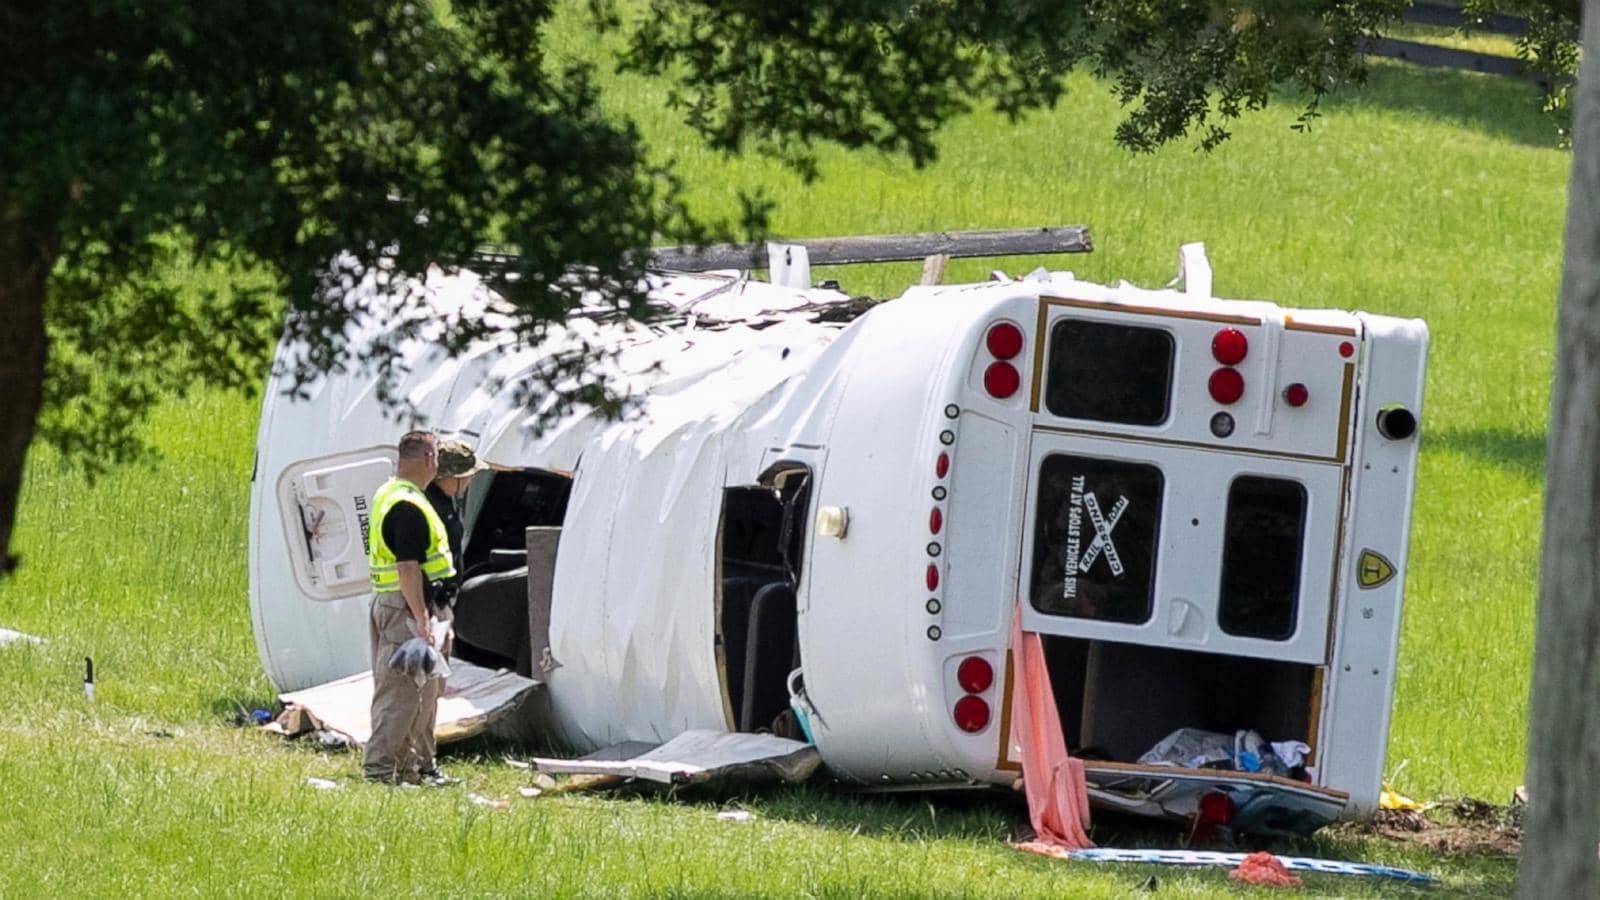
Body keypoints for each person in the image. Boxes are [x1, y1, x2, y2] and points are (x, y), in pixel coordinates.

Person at [363, 430, 458, 786]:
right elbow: (407, 566)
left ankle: (410, 770)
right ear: (429, 459)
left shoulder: (393, 494)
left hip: (413, 605)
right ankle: (380, 771)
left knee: (421, 692)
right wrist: (421, 617)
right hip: (405, 608)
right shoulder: (407, 504)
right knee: (400, 691)